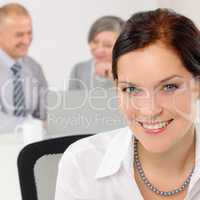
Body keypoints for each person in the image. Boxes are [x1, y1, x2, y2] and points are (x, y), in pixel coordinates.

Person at [55, 8, 200, 199]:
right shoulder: (82, 163)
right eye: (131, 89)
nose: (149, 110)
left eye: (169, 87)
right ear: (116, 89)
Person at [0, 3, 48, 132]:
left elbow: (45, 112)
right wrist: (36, 126)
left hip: (30, 145)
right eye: (19, 35)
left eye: (29, 32)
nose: (27, 40)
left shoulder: (34, 67)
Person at [68, 15, 124, 90]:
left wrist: (112, 76)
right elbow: (71, 99)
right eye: (95, 42)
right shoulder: (79, 69)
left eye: (108, 45)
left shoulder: (131, 68)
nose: (99, 50)